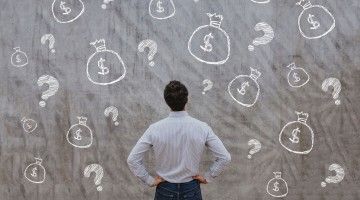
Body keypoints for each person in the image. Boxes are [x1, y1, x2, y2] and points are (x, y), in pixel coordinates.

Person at [127, 80, 231, 200]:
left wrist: (149, 180)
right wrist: (208, 177)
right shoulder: (202, 127)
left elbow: (132, 159)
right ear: (187, 99)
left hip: (165, 189)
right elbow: (225, 157)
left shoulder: (154, 129)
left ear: (166, 101)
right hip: (191, 189)